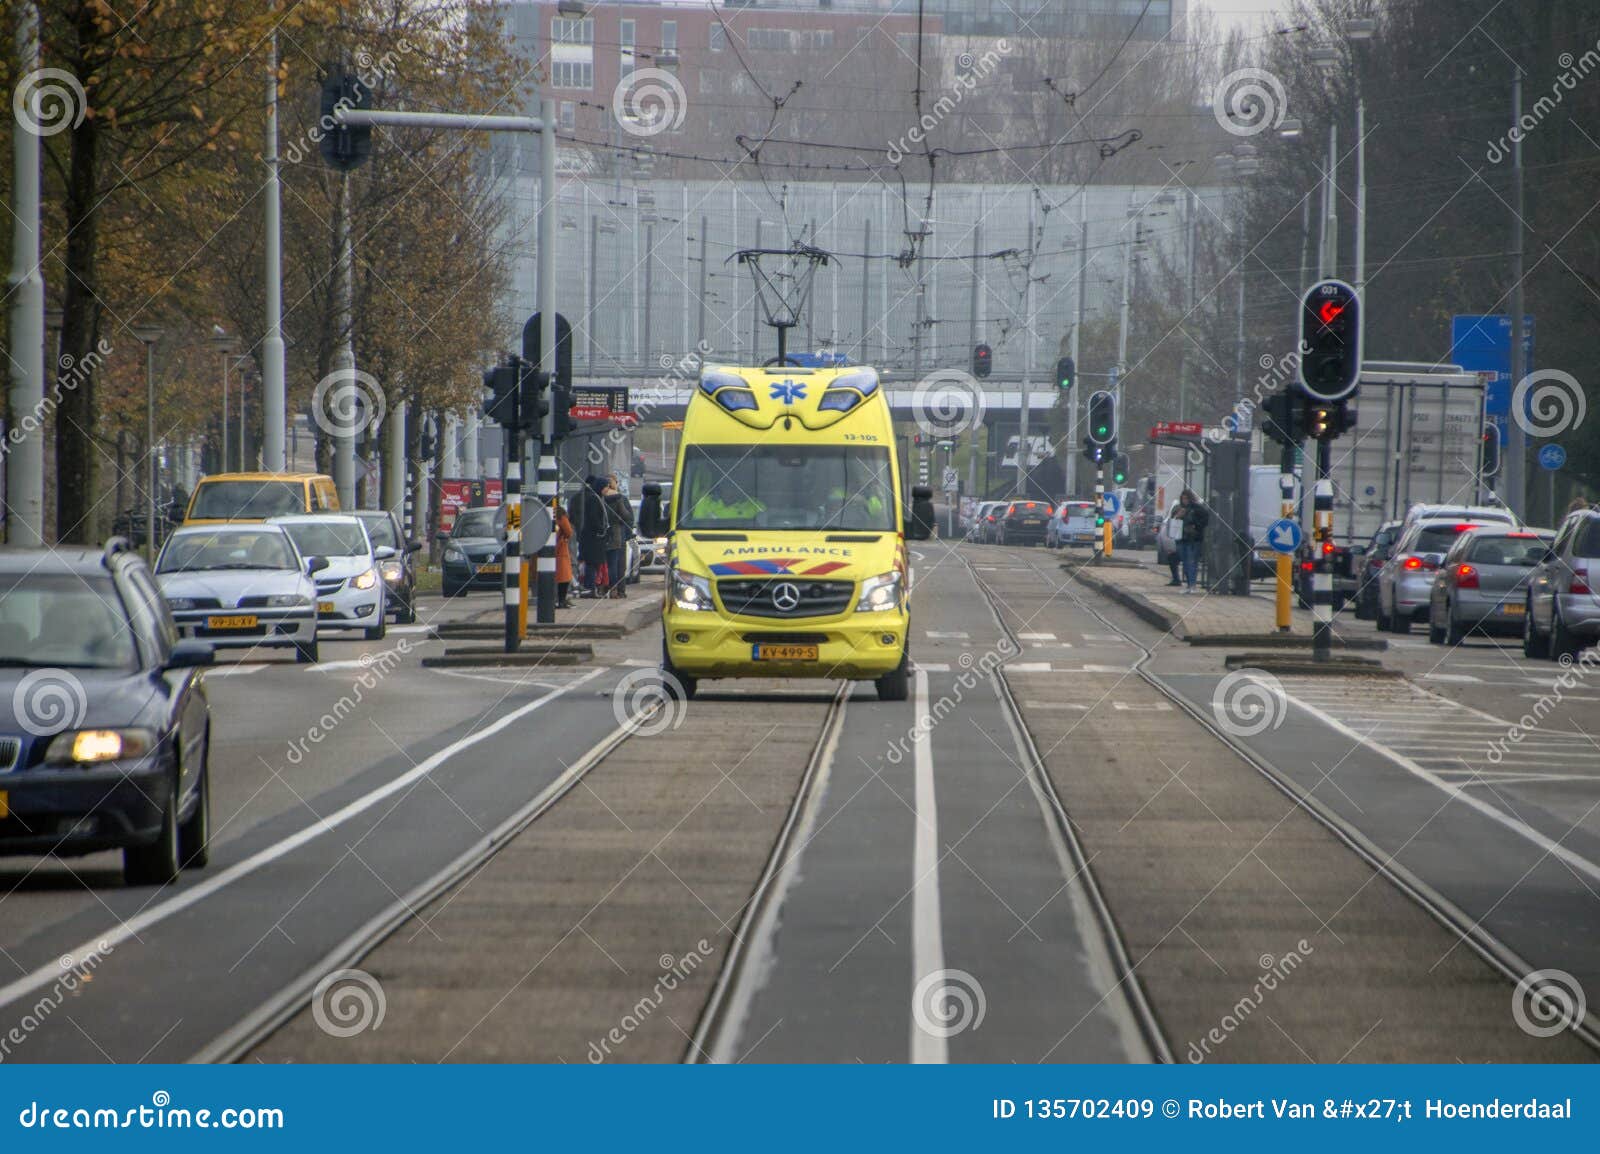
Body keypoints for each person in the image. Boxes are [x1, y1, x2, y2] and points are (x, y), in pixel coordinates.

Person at [577, 476, 609, 597]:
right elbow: (594, 518)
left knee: (595, 564)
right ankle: (590, 588)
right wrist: (602, 529)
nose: (607, 489)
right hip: (593, 538)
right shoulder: (593, 500)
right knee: (592, 563)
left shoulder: (598, 498)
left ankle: (592, 588)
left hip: (596, 538)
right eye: (606, 487)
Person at [603, 479, 633, 598]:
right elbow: (627, 516)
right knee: (618, 564)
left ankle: (604, 588)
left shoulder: (600, 498)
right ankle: (618, 590)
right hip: (617, 534)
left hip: (603, 534)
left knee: (605, 563)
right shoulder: (619, 499)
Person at [1175, 489, 1208, 593]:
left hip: (1193, 539)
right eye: (1183, 499)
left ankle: (1192, 585)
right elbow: (1174, 522)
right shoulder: (1180, 508)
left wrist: (1196, 526)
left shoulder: (1197, 508)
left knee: (1192, 562)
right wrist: (1178, 516)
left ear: (1190, 498)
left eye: (1186, 498)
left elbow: (1205, 519)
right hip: (1182, 539)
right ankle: (1189, 584)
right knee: (1185, 563)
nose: (1184, 501)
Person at [554, 500, 574, 609]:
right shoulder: (560, 515)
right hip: (560, 550)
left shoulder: (542, 513)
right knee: (564, 577)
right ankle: (561, 600)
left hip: (546, 552)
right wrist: (564, 538)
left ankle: (556, 600)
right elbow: (569, 531)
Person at [1160, 501, 1183, 586]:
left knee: (1175, 561)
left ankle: (1178, 579)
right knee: (1172, 561)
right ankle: (1176, 579)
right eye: (1178, 512)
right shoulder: (1171, 521)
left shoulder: (1180, 521)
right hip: (1172, 546)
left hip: (1178, 545)